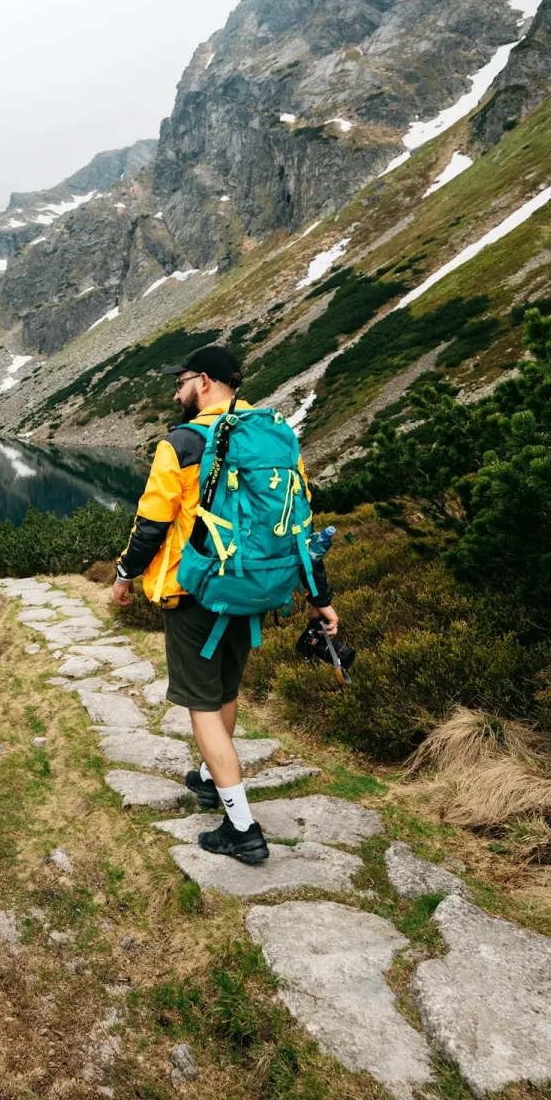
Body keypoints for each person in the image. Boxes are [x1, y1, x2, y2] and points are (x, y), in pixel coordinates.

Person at [111, 345, 339, 864]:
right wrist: (319, 597)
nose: (176, 392)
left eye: (183, 381)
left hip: (198, 590)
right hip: (252, 587)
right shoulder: (275, 437)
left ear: (206, 381)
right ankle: (211, 779)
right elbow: (299, 523)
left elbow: (151, 523)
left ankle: (242, 828)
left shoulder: (184, 442)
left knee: (202, 705)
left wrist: (124, 576)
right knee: (225, 689)